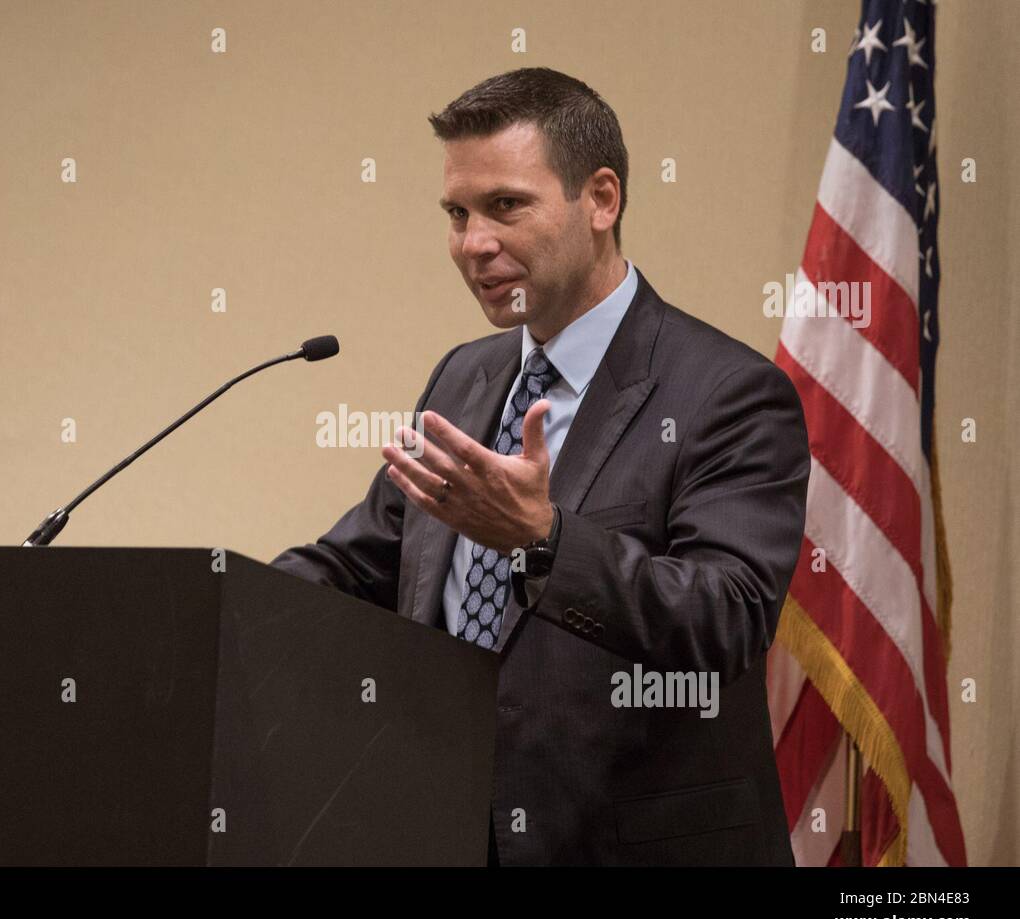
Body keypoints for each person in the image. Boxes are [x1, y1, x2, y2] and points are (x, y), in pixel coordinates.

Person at [271, 67, 809, 865]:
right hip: (449, 832)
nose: (473, 243)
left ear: (601, 199)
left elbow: (727, 617)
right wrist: (220, 602)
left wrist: (544, 540)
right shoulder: (466, 376)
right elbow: (364, 567)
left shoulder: (726, 392)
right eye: (457, 213)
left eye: (505, 206)